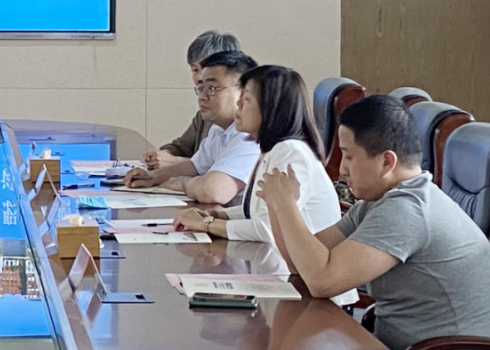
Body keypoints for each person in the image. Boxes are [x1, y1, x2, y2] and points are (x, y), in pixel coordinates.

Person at [261, 95, 490, 350]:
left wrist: (286, 206)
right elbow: (303, 266)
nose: (341, 169)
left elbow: (323, 281)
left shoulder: (407, 209)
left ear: (387, 162)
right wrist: (276, 205)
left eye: (349, 156)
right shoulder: (379, 201)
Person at [171, 65, 341, 249]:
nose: (238, 104)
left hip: (302, 263)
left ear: (270, 108)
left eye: (246, 98)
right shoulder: (272, 150)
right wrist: (221, 215)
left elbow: (267, 229)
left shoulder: (291, 154)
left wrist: (207, 224)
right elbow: (259, 210)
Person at [124, 50, 260, 205]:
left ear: (243, 92)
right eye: (201, 88)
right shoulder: (219, 129)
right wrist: (153, 177)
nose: (202, 97)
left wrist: (183, 183)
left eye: (212, 88)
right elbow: (195, 166)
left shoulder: (249, 135)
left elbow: (214, 191)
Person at [144, 30, 242, 169]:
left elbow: (215, 172)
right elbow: (183, 147)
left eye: (208, 71)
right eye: (195, 70)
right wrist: (161, 155)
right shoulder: (207, 115)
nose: (200, 78)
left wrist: (173, 162)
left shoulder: (245, 128)